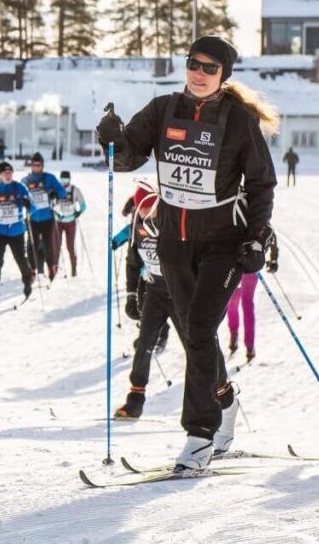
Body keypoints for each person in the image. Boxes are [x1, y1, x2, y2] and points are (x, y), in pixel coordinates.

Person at [97, 35, 278, 470]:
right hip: (173, 242)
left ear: (223, 75)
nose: (199, 73)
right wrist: (112, 140)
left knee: (198, 328)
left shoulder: (238, 120)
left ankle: (199, 436)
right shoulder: (163, 109)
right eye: (194, 63)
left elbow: (261, 183)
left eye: (209, 68)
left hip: (223, 242)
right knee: (194, 335)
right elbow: (127, 159)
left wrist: (257, 237)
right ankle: (225, 401)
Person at [112, 183, 183, 418]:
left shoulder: (169, 222)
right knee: (144, 344)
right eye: (141, 208)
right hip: (154, 290)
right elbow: (133, 262)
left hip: (178, 292)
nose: (144, 213)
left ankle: (213, 394)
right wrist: (131, 295)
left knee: (194, 345)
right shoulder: (137, 225)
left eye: (149, 208)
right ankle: (135, 400)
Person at [0, 161, 33, 307]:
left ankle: (28, 282)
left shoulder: (20, 187)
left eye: (10, 173)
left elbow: (32, 204)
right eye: (4, 173)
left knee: (20, 259)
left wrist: (28, 203)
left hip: (17, 231)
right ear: (0, 175)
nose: (8, 176)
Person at [21, 153, 67, 282]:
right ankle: (32, 269)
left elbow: (62, 191)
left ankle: (51, 267)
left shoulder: (49, 178)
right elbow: (19, 195)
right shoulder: (26, 180)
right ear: (31, 165)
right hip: (33, 218)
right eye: (34, 165)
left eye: (39, 165)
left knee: (49, 244)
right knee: (32, 244)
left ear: (42, 165)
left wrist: (55, 194)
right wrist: (23, 201)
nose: (36, 167)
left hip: (47, 217)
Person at [52, 170, 87, 277]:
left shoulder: (75, 190)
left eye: (66, 178)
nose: (64, 181)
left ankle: (73, 269)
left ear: (69, 179)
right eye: (62, 178)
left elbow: (83, 205)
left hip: (70, 222)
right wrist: (54, 213)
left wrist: (78, 213)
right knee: (56, 246)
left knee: (70, 246)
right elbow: (50, 204)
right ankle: (54, 269)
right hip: (58, 222)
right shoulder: (55, 190)